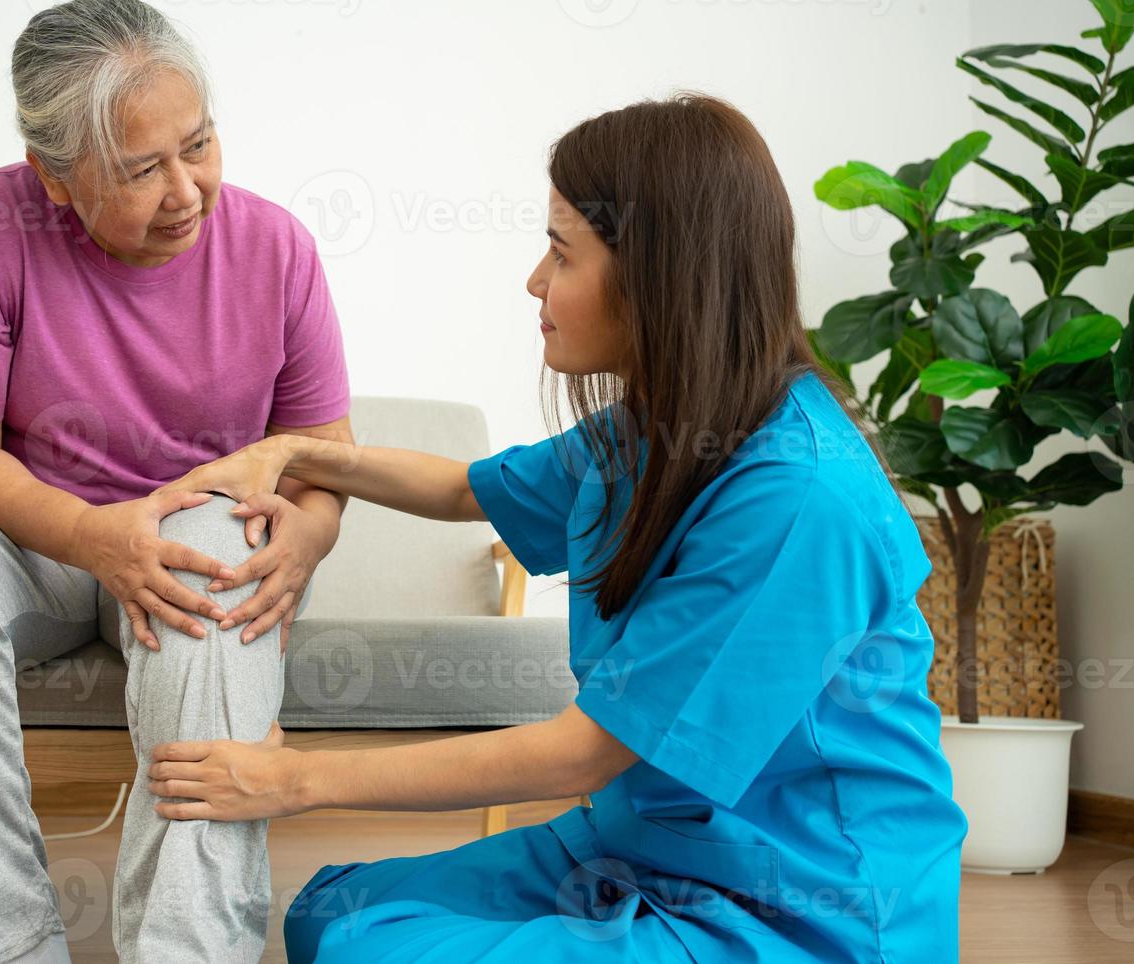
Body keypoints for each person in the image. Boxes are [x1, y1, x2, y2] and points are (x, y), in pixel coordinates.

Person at [147, 93, 969, 963]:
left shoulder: (800, 497)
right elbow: (466, 490)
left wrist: (291, 781)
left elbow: (581, 754)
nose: (535, 282)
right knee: (333, 914)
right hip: (641, 849)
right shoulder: (661, 428)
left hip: (796, 904)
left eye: (561, 253)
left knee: (373, 955)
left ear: (660, 277)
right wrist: (294, 457)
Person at [0, 0, 351, 962]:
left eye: (198, 144)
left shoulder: (275, 247)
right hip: (41, 543)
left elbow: (323, 451)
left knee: (217, 550)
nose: (186, 189)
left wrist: (306, 540)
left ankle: (186, 948)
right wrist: (90, 535)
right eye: (141, 169)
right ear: (53, 178)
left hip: (203, 540)